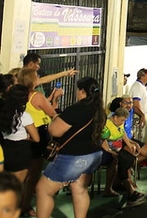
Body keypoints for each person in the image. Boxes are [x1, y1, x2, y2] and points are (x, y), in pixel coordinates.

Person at [36, 77, 107, 218]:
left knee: (43, 189)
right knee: (79, 189)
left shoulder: (76, 109)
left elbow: (55, 131)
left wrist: (54, 120)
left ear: (82, 91)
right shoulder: (100, 111)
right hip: (93, 155)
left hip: (72, 158)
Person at [17, 68, 61, 217]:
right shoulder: (37, 96)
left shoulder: (20, 95)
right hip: (39, 134)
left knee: (24, 174)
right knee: (32, 175)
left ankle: (20, 203)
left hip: (25, 134)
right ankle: (26, 205)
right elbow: (52, 112)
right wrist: (55, 98)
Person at [100, 107, 145, 204]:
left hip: (117, 149)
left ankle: (124, 184)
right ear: (115, 117)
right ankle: (129, 190)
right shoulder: (106, 125)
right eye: (122, 120)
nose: (122, 122)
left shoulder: (119, 123)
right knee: (121, 160)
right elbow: (103, 142)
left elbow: (122, 132)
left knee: (129, 158)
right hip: (106, 150)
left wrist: (130, 144)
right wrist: (111, 152)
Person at [0, 84, 39, 186]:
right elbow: (36, 139)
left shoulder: (3, 114)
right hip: (21, 152)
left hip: (6, 149)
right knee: (16, 188)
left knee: (5, 186)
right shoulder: (24, 116)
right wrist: (28, 138)